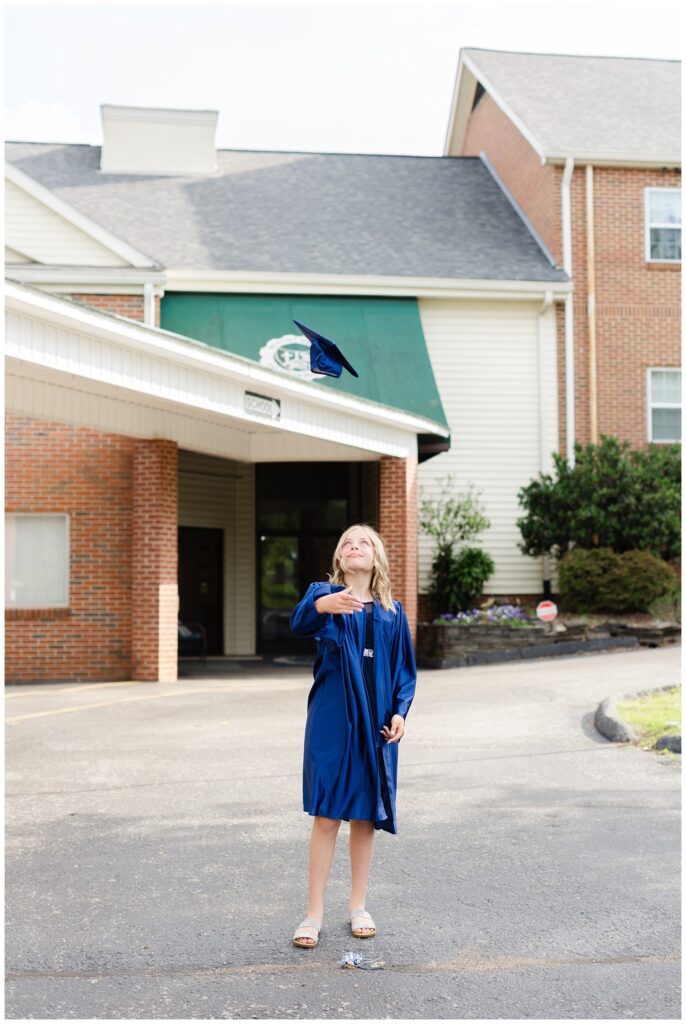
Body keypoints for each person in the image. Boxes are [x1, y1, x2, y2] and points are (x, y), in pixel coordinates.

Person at [289, 523, 417, 949]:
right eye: (346, 542)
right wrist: (326, 604)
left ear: (376, 558)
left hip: (377, 723)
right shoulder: (321, 595)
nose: (354, 546)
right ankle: (313, 914)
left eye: (364, 542)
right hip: (332, 719)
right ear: (339, 558)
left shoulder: (392, 613)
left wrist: (400, 711)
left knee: (364, 817)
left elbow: (403, 669)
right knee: (326, 815)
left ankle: (358, 905)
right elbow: (298, 624)